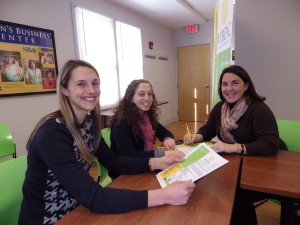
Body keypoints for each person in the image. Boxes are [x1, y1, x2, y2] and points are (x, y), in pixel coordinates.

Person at [19, 60, 195, 225]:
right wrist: (165, 196)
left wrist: (156, 161)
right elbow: (94, 197)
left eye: (95, 83)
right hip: (50, 218)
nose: (91, 90)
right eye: (81, 84)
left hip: (79, 207)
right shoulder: (52, 133)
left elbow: (112, 161)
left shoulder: (88, 123)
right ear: (64, 89)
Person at [183, 65, 280, 225]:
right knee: (210, 186)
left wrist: (233, 147)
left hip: (260, 165)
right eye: (224, 84)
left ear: (246, 85)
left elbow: (270, 145)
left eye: (235, 83)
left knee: (234, 196)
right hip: (234, 163)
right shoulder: (220, 107)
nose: (229, 88)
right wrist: (196, 136)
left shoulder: (259, 109)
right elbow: (207, 130)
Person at [109, 79, 179, 169]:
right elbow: (128, 155)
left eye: (150, 94)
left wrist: (167, 139)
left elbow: (163, 132)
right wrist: (162, 153)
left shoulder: (146, 116)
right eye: (141, 94)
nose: (147, 98)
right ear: (130, 97)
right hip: (125, 171)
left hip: (146, 162)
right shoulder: (121, 122)